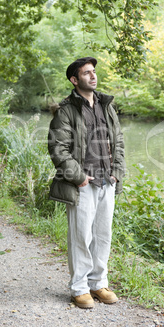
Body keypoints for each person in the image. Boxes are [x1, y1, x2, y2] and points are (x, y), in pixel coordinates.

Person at [48, 57, 125, 309]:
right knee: (81, 235)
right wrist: (79, 177)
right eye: (86, 73)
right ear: (74, 79)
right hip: (83, 183)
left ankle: (98, 284)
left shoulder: (107, 105)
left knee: (103, 235)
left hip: (108, 181)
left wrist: (117, 172)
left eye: (94, 72)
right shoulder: (66, 110)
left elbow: (119, 142)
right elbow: (58, 149)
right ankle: (79, 288)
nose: (93, 76)